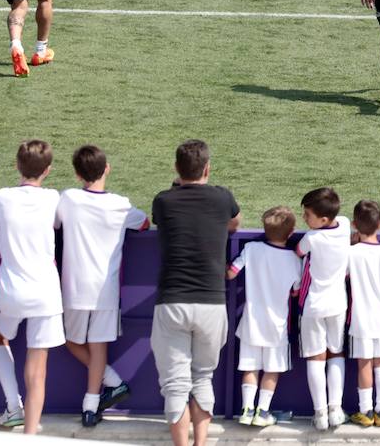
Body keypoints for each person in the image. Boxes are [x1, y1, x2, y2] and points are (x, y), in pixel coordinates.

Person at [150, 140, 241, 446]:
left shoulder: (163, 200)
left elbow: (163, 216)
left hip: (172, 301)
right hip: (211, 302)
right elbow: (235, 223)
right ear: (207, 168)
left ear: (176, 169)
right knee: (203, 378)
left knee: (176, 386)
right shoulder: (222, 198)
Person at [57, 145, 149, 427]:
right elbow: (144, 223)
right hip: (105, 291)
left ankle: (94, 401)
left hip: (73, 288)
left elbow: (56, 224)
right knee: (96, 348)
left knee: (73, 342)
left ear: (76, 173)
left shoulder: (68, 199)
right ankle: (106, 390)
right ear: (107, 168)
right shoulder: (120, 204)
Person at [0, 140, 64, 435]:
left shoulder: (3, 198)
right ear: (48, 170)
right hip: (46, 294)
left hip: (10, 292)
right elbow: (59, 225)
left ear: (18, 166)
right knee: (38, 371)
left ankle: (12, 406)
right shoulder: (53, 198)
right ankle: (29, 435)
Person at [227, 206, 301, 428]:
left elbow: (231, 273)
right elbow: (295, 292)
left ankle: (247, 409)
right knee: (272, 369)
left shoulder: (251, 249)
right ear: (290, 233)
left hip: (251, 322)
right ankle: (263, 411)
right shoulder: (294, 260)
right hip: (277, 325)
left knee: (250, 367)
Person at [296, 186, 353, 431]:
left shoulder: (311, 238)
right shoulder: (344, 222)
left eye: (307, 215)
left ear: (323, 219)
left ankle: (320, 413)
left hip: (313, 305)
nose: (304, 219)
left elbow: (298, 252)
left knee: (316, 357)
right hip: (338, 304)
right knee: (336, 353)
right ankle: (336, 409)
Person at [346, 200, 380, 428]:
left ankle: (366, 411)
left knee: (364, 364)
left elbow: (344, 279)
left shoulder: (351, 253)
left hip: (360, 317)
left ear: (355, 224)